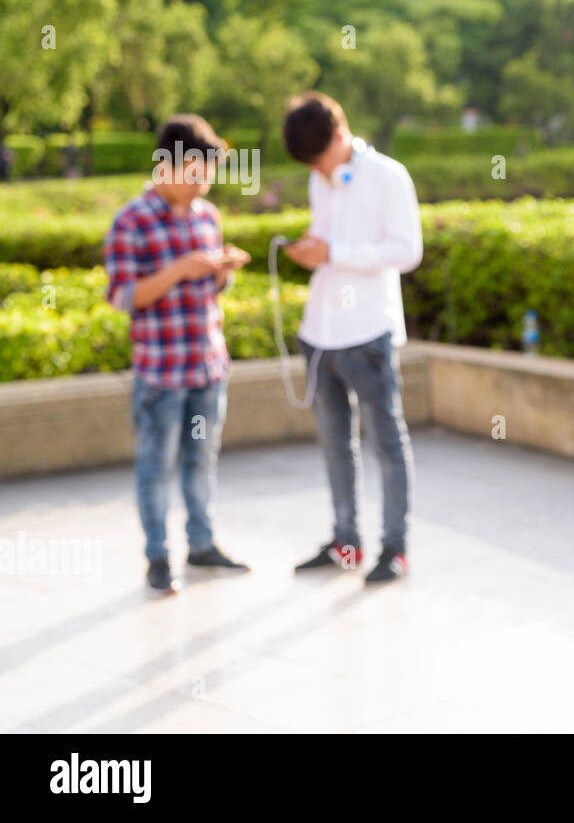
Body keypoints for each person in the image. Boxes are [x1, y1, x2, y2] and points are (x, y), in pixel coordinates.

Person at [103, 115, 252, 594]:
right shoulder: (131, 220)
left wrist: (221, 268)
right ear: (166, 165)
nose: (201, 185)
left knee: (201, 459)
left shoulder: (208, 216)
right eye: (194, 174)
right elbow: (123, 296)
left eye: (206, 176)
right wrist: (180, 269)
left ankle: (202, 543)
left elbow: (211, 289)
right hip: (161, 372)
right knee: (155, 465)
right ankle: (158, 557)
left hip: (207, 365)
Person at [281, 92, 423, 585]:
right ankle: (345, 540)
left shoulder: (388, 176)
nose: (319, 170)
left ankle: (395, 547)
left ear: (340, 136)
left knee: (387, 440)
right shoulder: (319, 180)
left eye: (321, 158)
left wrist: (335, 251)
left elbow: (407, 251)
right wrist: (314, 249)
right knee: (333, 441)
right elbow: (329, 241)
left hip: (367, 330)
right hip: (320, 330)